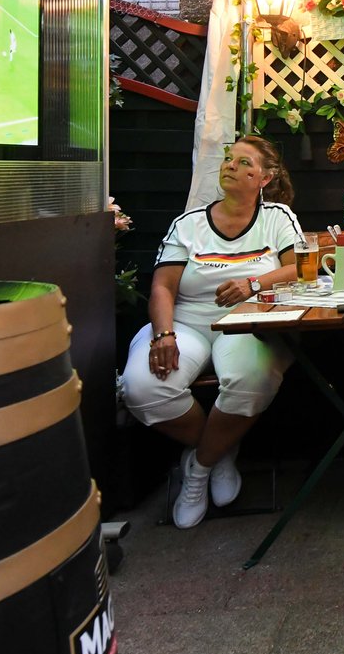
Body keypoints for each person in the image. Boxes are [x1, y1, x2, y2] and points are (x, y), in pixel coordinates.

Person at [121, 137, 306, 529]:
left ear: (264, 177)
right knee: (142, 387)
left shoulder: (277, 217)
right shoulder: (188, 224)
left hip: (247, 320)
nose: (231, 166)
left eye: (243, 162)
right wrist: (164, 334)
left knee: (251, 377)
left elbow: (300, 269)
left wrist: (253, 283)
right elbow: (162, 287)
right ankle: (220, 450)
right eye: (228, 160)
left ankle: (199, 469)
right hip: (186, 322)